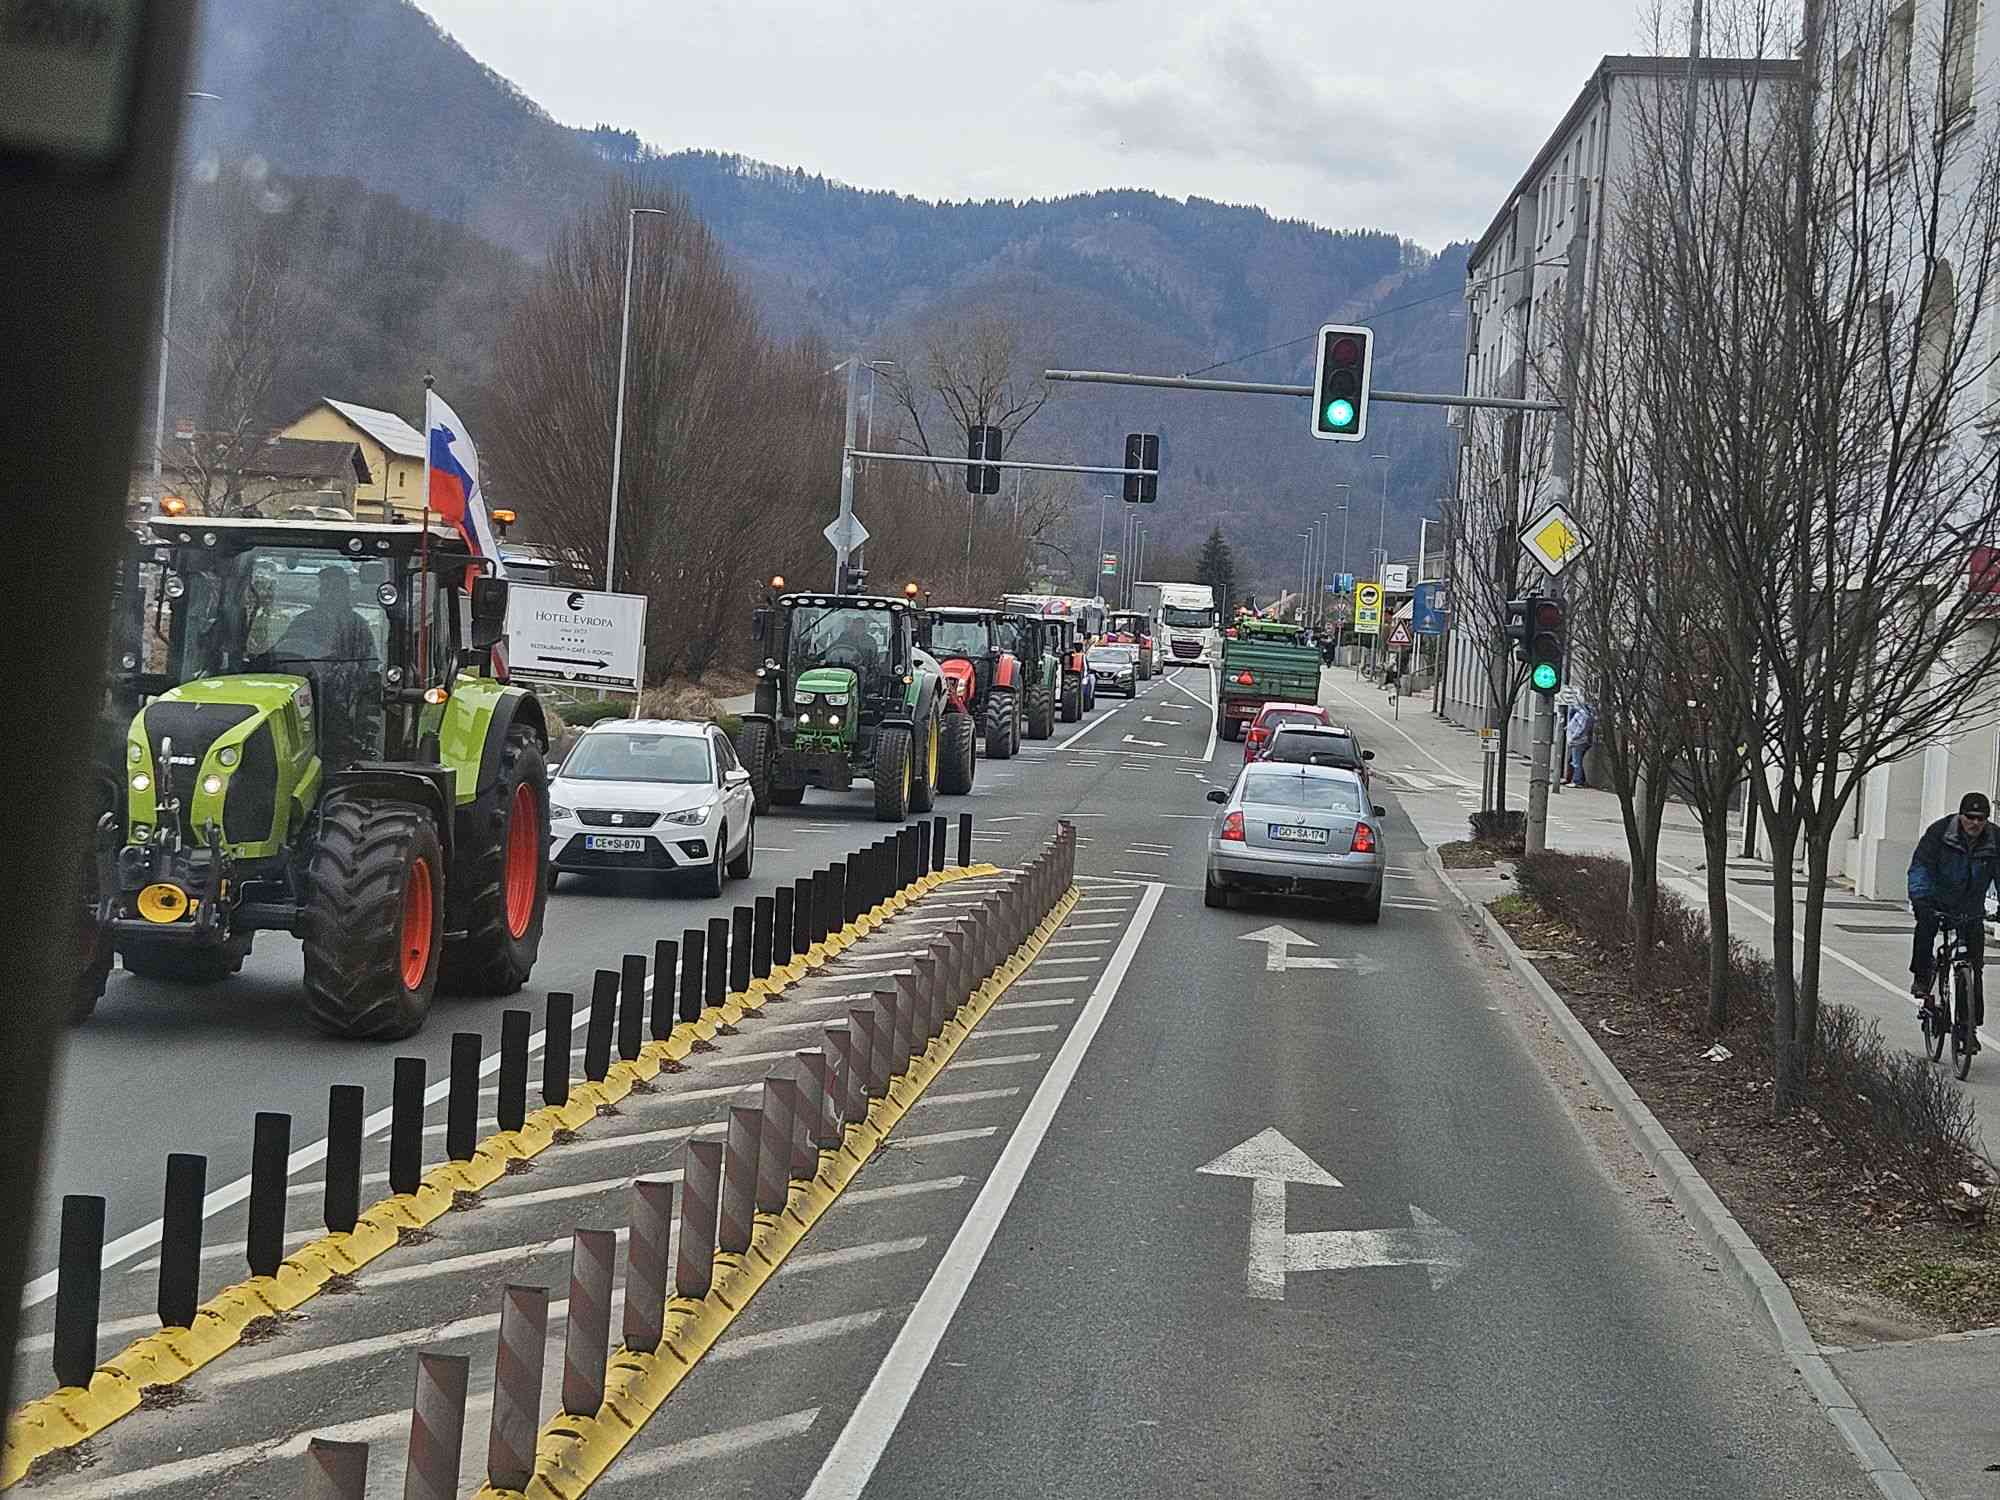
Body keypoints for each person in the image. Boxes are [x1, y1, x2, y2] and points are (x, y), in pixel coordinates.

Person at [1908, 792, 2000, 1034]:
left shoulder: (1995, 839)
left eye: (1981, 818)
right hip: (1937, 900)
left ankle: (1969, 1027)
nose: (1975, 823)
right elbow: (1920, 868)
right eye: (1970, 817)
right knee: (1925, 926)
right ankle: (1921, 976)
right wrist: (1921, 900)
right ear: (1961, 815)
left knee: (1975, 966)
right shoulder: (1939, 833)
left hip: (1971, 908)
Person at [1564, 701, 1594, 787]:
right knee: (1573, 761)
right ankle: (1578, 779)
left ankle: (1577, 781)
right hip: (1580, 741)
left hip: (1578, 741)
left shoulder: (1582, 715)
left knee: (1576, 762)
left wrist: (1573, 737)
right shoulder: (1582, 714)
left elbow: (1581, 728)